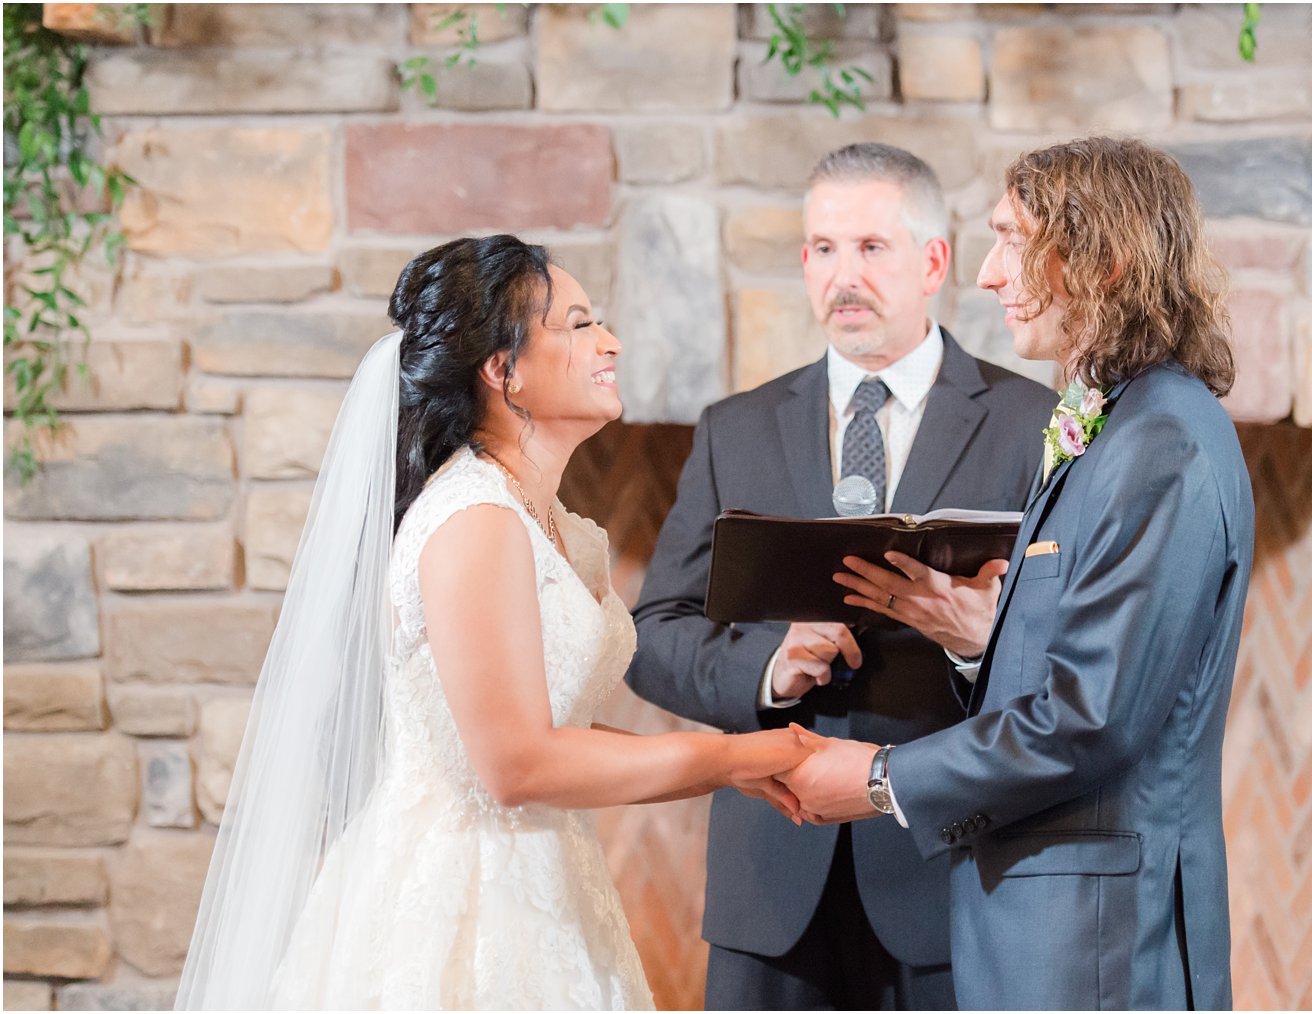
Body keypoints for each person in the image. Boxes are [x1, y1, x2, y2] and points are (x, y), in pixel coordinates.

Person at [176, 236, 809, 1010]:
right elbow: (515, 767)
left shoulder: (555, 527)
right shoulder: (474, 518)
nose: (608, 342)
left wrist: (729, 762)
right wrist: (732, 759)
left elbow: (550, 734)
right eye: (576, 326)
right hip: (463, 903)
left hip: (548, 879)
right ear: (503, 370)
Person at [782, 136, 1254, 1011]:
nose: (992, 274)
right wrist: (981, 640)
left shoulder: (1161, 441)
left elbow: (1091, 718)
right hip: (1046, 922)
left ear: (1103, 262)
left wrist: (882, 778)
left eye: (1014, 239)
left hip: (1101, 940)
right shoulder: (1111, 422)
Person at [625, 144, 1056, 1010]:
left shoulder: (1032, 425)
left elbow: (1070, 658)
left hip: (951, 873)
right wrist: (766, 670)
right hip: (771, 885)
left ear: (934, 262)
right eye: (823, 249)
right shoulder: (734, 429)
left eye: (870, 248)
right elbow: (651, 633)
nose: (842, 276)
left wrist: (977, 647)